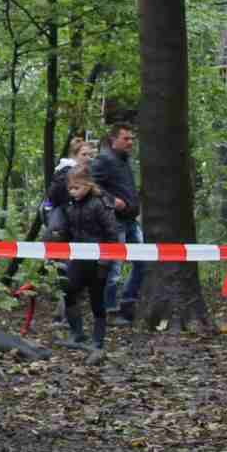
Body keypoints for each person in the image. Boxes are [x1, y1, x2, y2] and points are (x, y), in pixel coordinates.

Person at [50, 163, 123, 349]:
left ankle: (98, 340)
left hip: (98, 262)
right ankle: (77, 334)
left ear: (88, 184)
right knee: (69, 291)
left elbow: (112, 235)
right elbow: (68, 232)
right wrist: (57, 242)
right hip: (77, 260)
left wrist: (104, 263)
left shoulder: (100, 204)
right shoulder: (70, 207)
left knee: (97, 301)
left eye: (77, 187)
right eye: (70, 188)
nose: (73, 192)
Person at [93, 122, 142, 321]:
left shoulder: (125, 160)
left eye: (132, 138)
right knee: (114, 268)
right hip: (114, 222)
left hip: (131, 221)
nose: (130, 142)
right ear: (113, 139)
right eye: (126, 138)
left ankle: (128, 302)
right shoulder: (103, 159)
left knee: (143, 261)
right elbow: (92, 185)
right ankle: (109, 311)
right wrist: (112, 201)